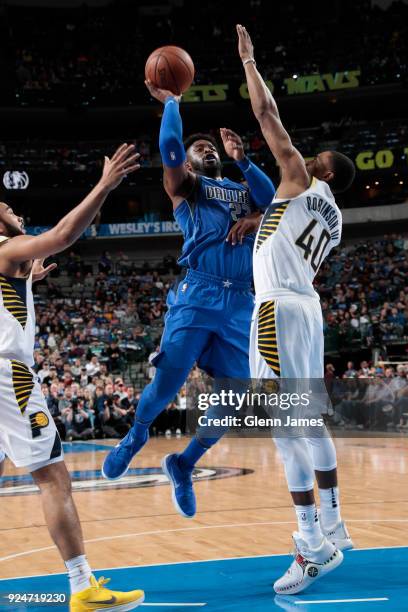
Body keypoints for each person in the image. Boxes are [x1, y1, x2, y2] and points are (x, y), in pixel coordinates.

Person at [102, 80, 276, 520]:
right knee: (167, 385)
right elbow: (173, 148)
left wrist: (246, 167)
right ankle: (136, 435)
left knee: (233, 398)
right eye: (201, 148)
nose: (207, 149)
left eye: (211, 147)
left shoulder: (242, 188)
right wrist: (173, 104)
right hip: (198, 292)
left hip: (242, 303)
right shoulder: (187, 186)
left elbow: (275, 203)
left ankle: (183, 463)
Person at [236, 24, 355, 595]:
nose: (304, 155)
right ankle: (333, 524)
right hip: (306, 311)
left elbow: (268, 115)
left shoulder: (301, 179)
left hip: (277, 310)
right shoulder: (335, 217)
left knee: (284, 431)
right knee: (309, 422)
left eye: (316, 157)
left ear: (323, 171)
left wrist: (251, 64)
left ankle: (312, 545)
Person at [0, 144, 145, 611]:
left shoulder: (12, 266)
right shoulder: (5, 250)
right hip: (9, 377)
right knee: (53, 479)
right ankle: (82, 587)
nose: (15, 211)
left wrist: (27, 281)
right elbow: (62, 234)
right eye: (7, 209)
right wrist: (104, 185)